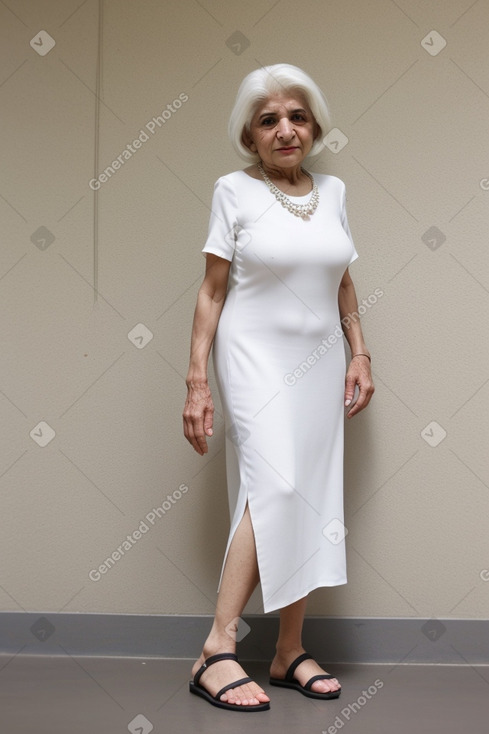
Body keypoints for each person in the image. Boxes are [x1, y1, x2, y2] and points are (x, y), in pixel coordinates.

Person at [183, 63, 374, 712]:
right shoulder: (232, 191)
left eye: (295, 116)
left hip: (319, 361)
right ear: (249, 136)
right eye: (268, 121)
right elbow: (211, 291)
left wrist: (359, 353)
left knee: (312, 494)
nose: (284, 130)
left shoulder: (336, 192)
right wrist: (195, 383)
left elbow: (342, 282)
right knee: (276, 485)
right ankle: (216, 647)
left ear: (314, 125)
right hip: (253, 355)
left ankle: (289, 649)